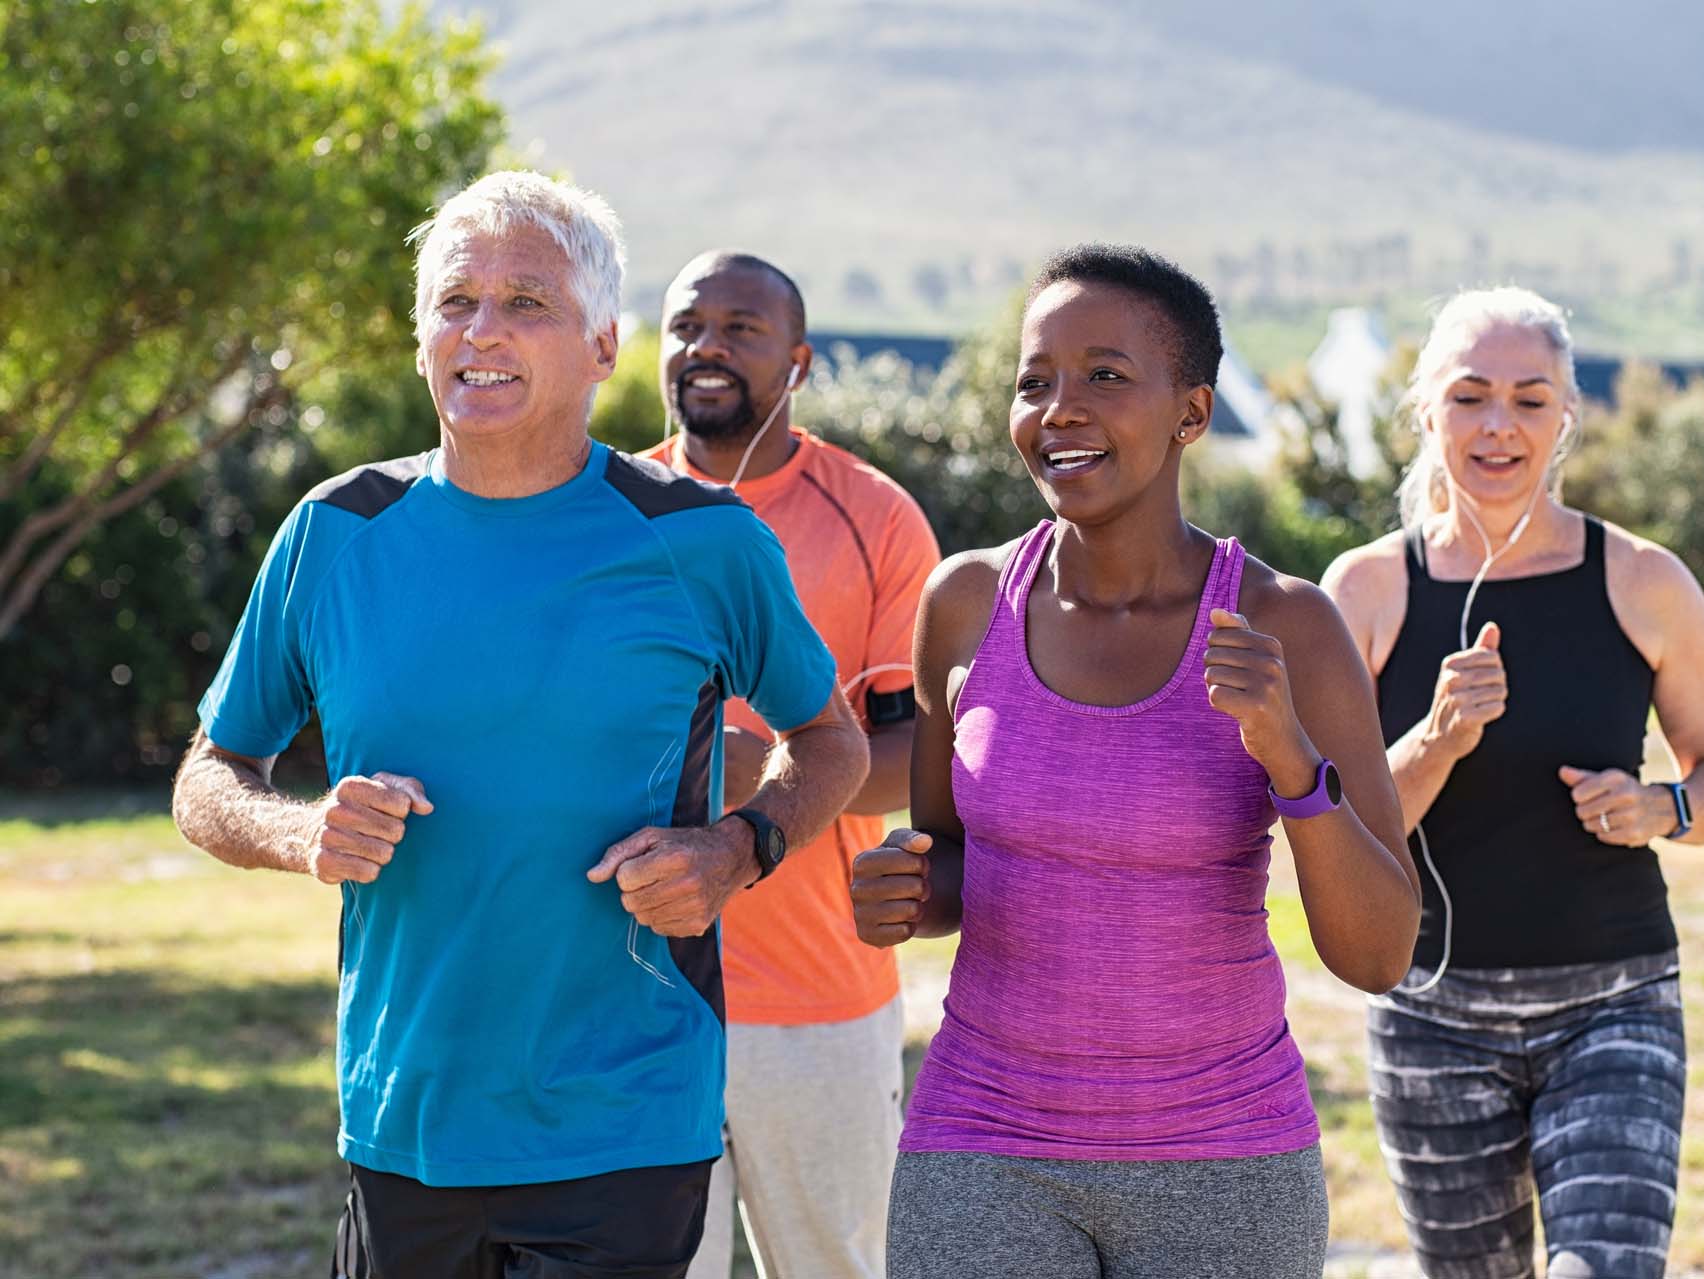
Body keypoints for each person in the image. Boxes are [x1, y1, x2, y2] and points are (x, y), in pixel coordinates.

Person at [169, 171, 870, 1279]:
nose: (482, 331)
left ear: (601, 346)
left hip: (626, 1116)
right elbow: (210, 775)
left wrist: (737, 846)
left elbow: (833, 740)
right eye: (455, 302)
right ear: (419, 340)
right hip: (406, 1117)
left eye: (526, 303)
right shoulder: (334, 532)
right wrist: (303, 834)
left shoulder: (702, 541)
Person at [848, 244, 1421, 1279]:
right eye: (1035, 381)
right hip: (983, 1139)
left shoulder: (1287, 622)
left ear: (1191, 412)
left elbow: (1379, 952)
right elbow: (948, 868)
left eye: (1105, 376)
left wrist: (1290, 756)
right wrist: (903, 884)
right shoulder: (964, 603)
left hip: (1223, 1158)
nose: (1059, 408)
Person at [1321, 287, 1704, 1279]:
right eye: (1471, 396)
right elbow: (1333, 826)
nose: (1497, 425)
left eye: (1528, 399)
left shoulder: (1643, 580)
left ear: (1566, 417)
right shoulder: (1365, 591)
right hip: (1431, 1013)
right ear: (1427, 409)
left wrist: (1664, 807)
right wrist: (1436, 738)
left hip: (1616, 1002)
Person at [643, 250, 939, 1279]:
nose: (707, 347)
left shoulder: (877, 517)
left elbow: (921, 758)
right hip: (630, 993)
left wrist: (769, 767)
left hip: (819, 997)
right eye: (687, 326)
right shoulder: (600, 513)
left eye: (741, 327)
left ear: (799, 360)